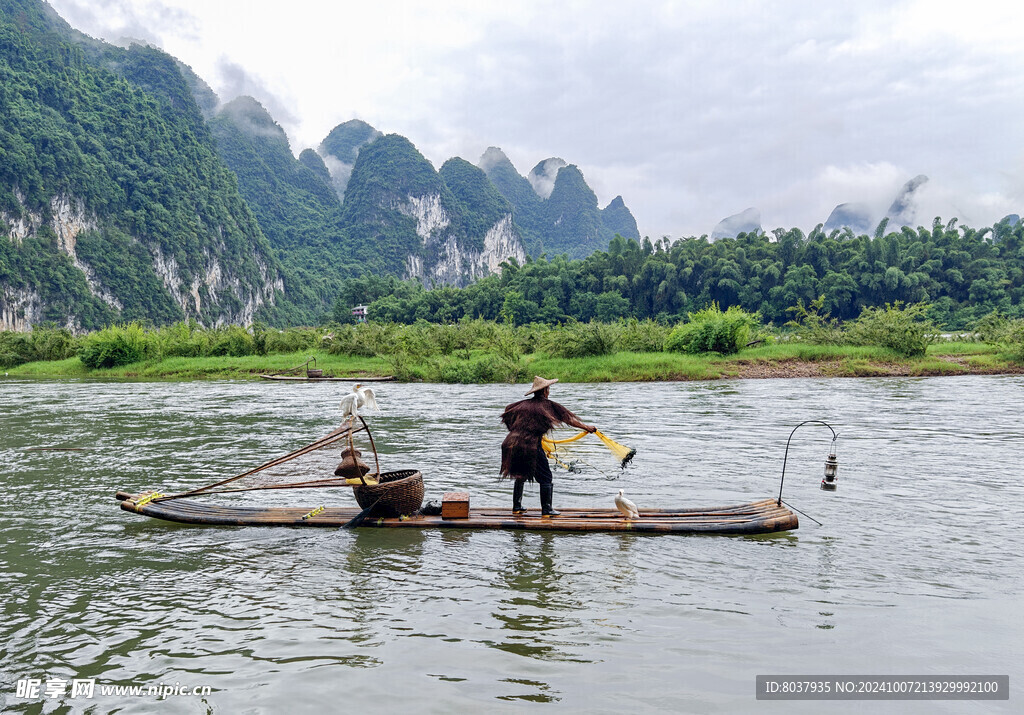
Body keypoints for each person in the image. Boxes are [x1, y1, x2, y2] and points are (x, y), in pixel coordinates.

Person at [500, 376, 596, 516]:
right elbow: (569, 419)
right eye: (548, 389)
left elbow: (506, 413)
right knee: (545, 477)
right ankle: (547, 510)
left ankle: (517, 507)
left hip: (511, 443)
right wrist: (586, 427)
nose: (549, 391)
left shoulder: (520, 405)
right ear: (545, 390)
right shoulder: (548, 405)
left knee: (521, 474)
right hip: (530, 444)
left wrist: (516, 431)